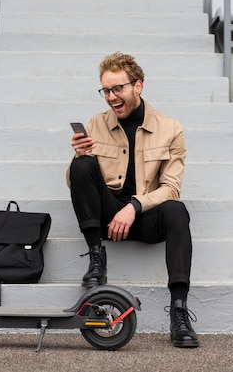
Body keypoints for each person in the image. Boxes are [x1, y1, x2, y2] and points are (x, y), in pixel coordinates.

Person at [66, 52, 199, 348]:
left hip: (146, 218)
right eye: (106, 91)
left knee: (177, 211)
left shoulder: (170, 128)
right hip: (108, 217)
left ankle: (179, 311)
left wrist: (134, 206)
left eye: (118, 89)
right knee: (81, 165)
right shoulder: (96, 124)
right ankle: (97, 257)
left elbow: (171, 188)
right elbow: (78, 182)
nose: (111, 97)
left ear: (138, 86)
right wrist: (79, 156)